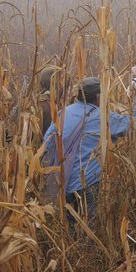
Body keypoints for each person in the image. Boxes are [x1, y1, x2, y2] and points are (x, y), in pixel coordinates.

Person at [42, 77, 106, 225]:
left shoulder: (64, 113)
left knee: (71, 221)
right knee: (88, 223)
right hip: (88, 182)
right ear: (98, 97)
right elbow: (127, 126)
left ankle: (70, 245)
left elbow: (47, 141)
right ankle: (86, 247)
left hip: (64, 179)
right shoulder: (101, 116)